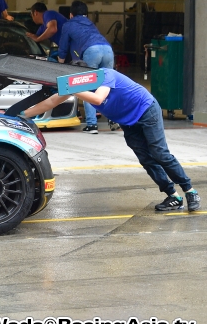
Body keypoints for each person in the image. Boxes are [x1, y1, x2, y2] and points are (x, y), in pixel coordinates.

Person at [24, 62, 200, 213]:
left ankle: (190, 191)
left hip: (146, 110)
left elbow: (99, 99)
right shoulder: (78, 88)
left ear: (88, 76)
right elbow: (50, 102)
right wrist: (23, 115)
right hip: (128, 121)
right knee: (146, 159)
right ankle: (173, 196)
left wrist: (73, 88)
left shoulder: (106, 75)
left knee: (159, 153)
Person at [57, 1, 115, 134]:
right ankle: (113, 118)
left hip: (92, 51)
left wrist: (60, 64)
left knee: (88, 87)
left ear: (71, 15)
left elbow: (63, 47)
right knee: (107, 85)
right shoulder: (90, 23)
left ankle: (92, 125)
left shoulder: (68, 24)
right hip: (108, 50)